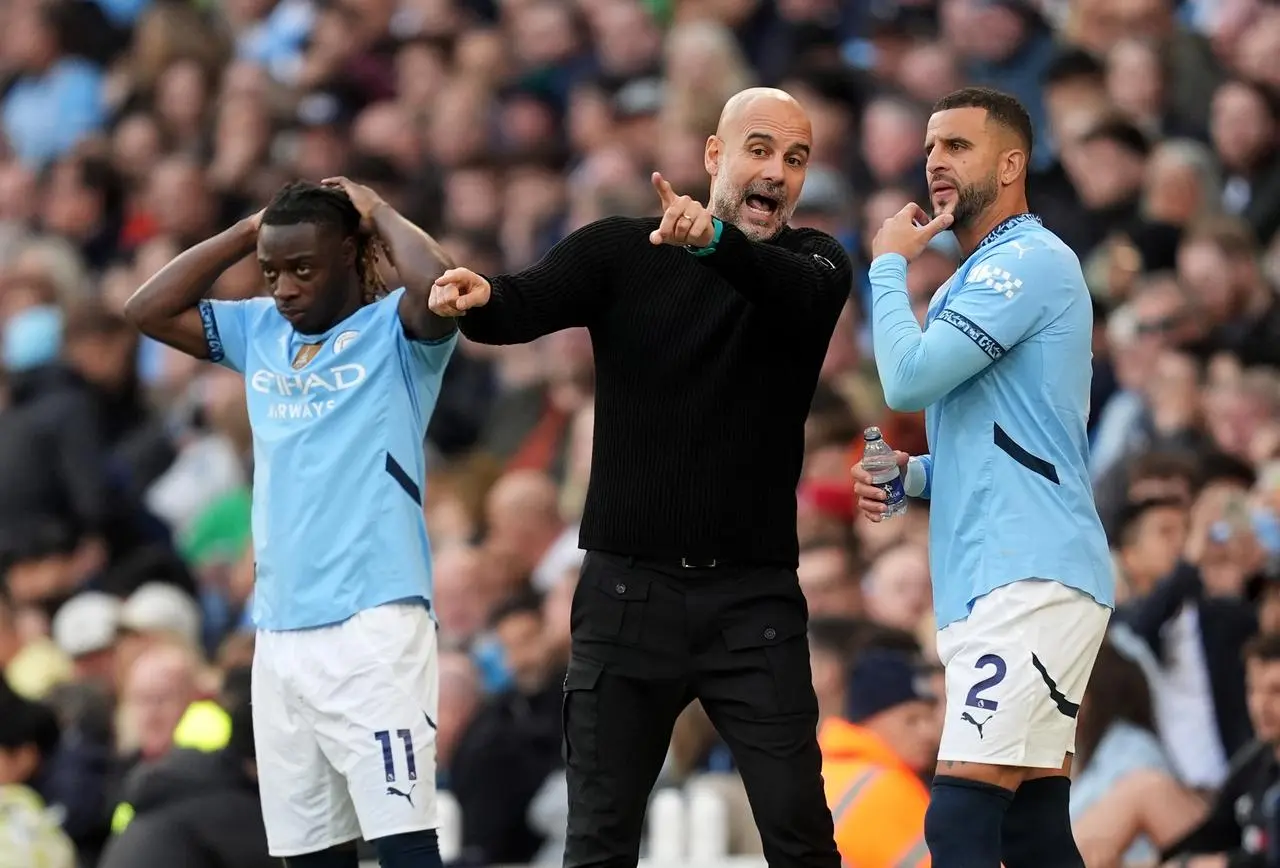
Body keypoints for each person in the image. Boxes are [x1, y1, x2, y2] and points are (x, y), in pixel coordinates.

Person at [429, 87, 852, 868]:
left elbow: (791, 295)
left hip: (752, 602)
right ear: (714, 156)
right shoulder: (622, 249)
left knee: (799, 833)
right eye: (759, 149)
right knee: (597, 838)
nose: (779, 172)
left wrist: (713, 241)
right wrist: (481, 298)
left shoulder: (816, 262)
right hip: (628, 597)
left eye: (796, 158)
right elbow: (524, 301)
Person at [123, 177, 458, 868]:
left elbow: (441, 290)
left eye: (303, 268)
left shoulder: (395, 331)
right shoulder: (260, 331)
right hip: (276, 635)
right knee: (309, 856)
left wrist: (380, 212)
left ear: (350, 253)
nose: (283, 288)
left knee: (403, 844)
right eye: (273, 271)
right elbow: (147, 308)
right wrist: (251, 230)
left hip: (375, 625)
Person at [851, 86, 1115, 868]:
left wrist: (889, 268)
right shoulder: (986, 275)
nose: (934, 161)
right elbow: (1004, 439)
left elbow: (906, 382)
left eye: (956, 146)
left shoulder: (1028, 262)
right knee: (1030, 827)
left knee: (960, 821)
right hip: (1001, 576)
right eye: (929, 146)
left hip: (1026, 577)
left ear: (1011, 164)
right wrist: (917, 476)